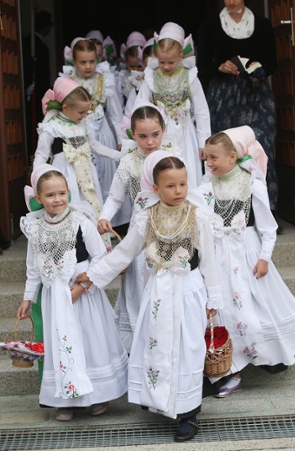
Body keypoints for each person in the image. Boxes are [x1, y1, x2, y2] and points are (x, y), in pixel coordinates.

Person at [76, 151, 222, 442]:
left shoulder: (199, 216)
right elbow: (124, 253)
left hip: (189, 290)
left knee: (188, 350)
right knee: (158, 346)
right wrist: (93, 275)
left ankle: (188, 413)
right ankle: (162, 400)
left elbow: (209, 261)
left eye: (182, 184)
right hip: (157, 293)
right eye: (170, 185)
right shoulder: (146, 218)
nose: (178, 191)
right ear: (155, 188)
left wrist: (214, 299)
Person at [203, 126, 295, 398]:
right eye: (206, 158)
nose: (209, 163)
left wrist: (264, 257)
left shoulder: (251, 182)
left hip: (247, 252)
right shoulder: (205, 187)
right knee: (223, 309)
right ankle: (230, 368)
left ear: (232, 157)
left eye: (215, 157)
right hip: (218, 256)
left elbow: (266, 226)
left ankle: (267, 356)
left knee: (255, 304)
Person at [17, 164, 128, 421]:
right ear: (38, 199)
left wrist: (83, 285)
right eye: (50, 195)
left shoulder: (81, 223)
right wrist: (27, 298)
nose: (57, 200)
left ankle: (97, 396)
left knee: (88, 341)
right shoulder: (35, 228)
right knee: (61, 345)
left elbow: (100, 257)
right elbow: (33, 268)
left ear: (68, 192)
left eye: (61, 193)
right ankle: (65, 399)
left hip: (82, 295)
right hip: (55, 298)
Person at [196, 0, 280, 228]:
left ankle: (264, 212)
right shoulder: (210, 26)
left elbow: (272, 62)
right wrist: (219, 67)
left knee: (260, 148)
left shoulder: (262, 24)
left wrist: (258, 70)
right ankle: (229, 211)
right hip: (224, 97)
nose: (231, 1)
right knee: (225, 151)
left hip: (256, 96)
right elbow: (202, 67)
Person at [98, 100, 177, 352]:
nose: (150, 142)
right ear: (132, 134)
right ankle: (141, 343)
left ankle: (167, 337)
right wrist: (104, 216)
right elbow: (115, 197)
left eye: (155, 135)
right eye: (142, 136)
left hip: (169, 227)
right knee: (138, 282)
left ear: (163, 130)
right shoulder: (129, 161)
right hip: (139, 230)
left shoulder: (172, 157)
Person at [33, 76, 121, 248]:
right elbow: (41, 155)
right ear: (65, 108)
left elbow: (95, 146)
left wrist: (119, 155)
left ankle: (94, 248)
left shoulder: (84, 124)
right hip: (65, 175)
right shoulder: (51, 127)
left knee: (91, 206)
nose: (85, 115)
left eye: (86, 112)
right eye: (81, 112)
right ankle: (73, 247)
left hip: (86, 174)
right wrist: (38, 180)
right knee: (70, 209)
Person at [61, 39, 130, 228]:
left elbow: (116, 114)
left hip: (103, 134)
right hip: (77, 136)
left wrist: (121, 138)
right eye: (83, 62)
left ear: (97, 59)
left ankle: (110, 221)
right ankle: (85, 222)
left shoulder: (104, 79)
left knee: (106, 176)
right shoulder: (68, 82)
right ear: (74, 62)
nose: (88, 66)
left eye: (92, 61)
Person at [137, 22, 210, 188]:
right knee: (163, 175)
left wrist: (203, 142)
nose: (166, 66)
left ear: (180, 56)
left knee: (187, 175)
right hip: (159, 137)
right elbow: (140, 107)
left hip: (185, 135)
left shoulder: (190, 77)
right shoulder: (151, 78)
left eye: (171, 62)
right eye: (162, 62)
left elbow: (201, 112)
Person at [23, 10, 54, 159]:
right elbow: (43, 75)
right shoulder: (40, 47)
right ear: (46, 27)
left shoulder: (25, 41)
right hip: (36, 93)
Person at [123, 38, 156, 118]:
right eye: (149, 67)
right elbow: (128, 116)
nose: (153, 71)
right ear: (143, 65)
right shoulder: (137, 89)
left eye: (156, 66)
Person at [118, 31, 146, 109]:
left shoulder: (150, 78)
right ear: (126, 62)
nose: (135, 69)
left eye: (139, 66)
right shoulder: (122, 78)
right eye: (132, 66)